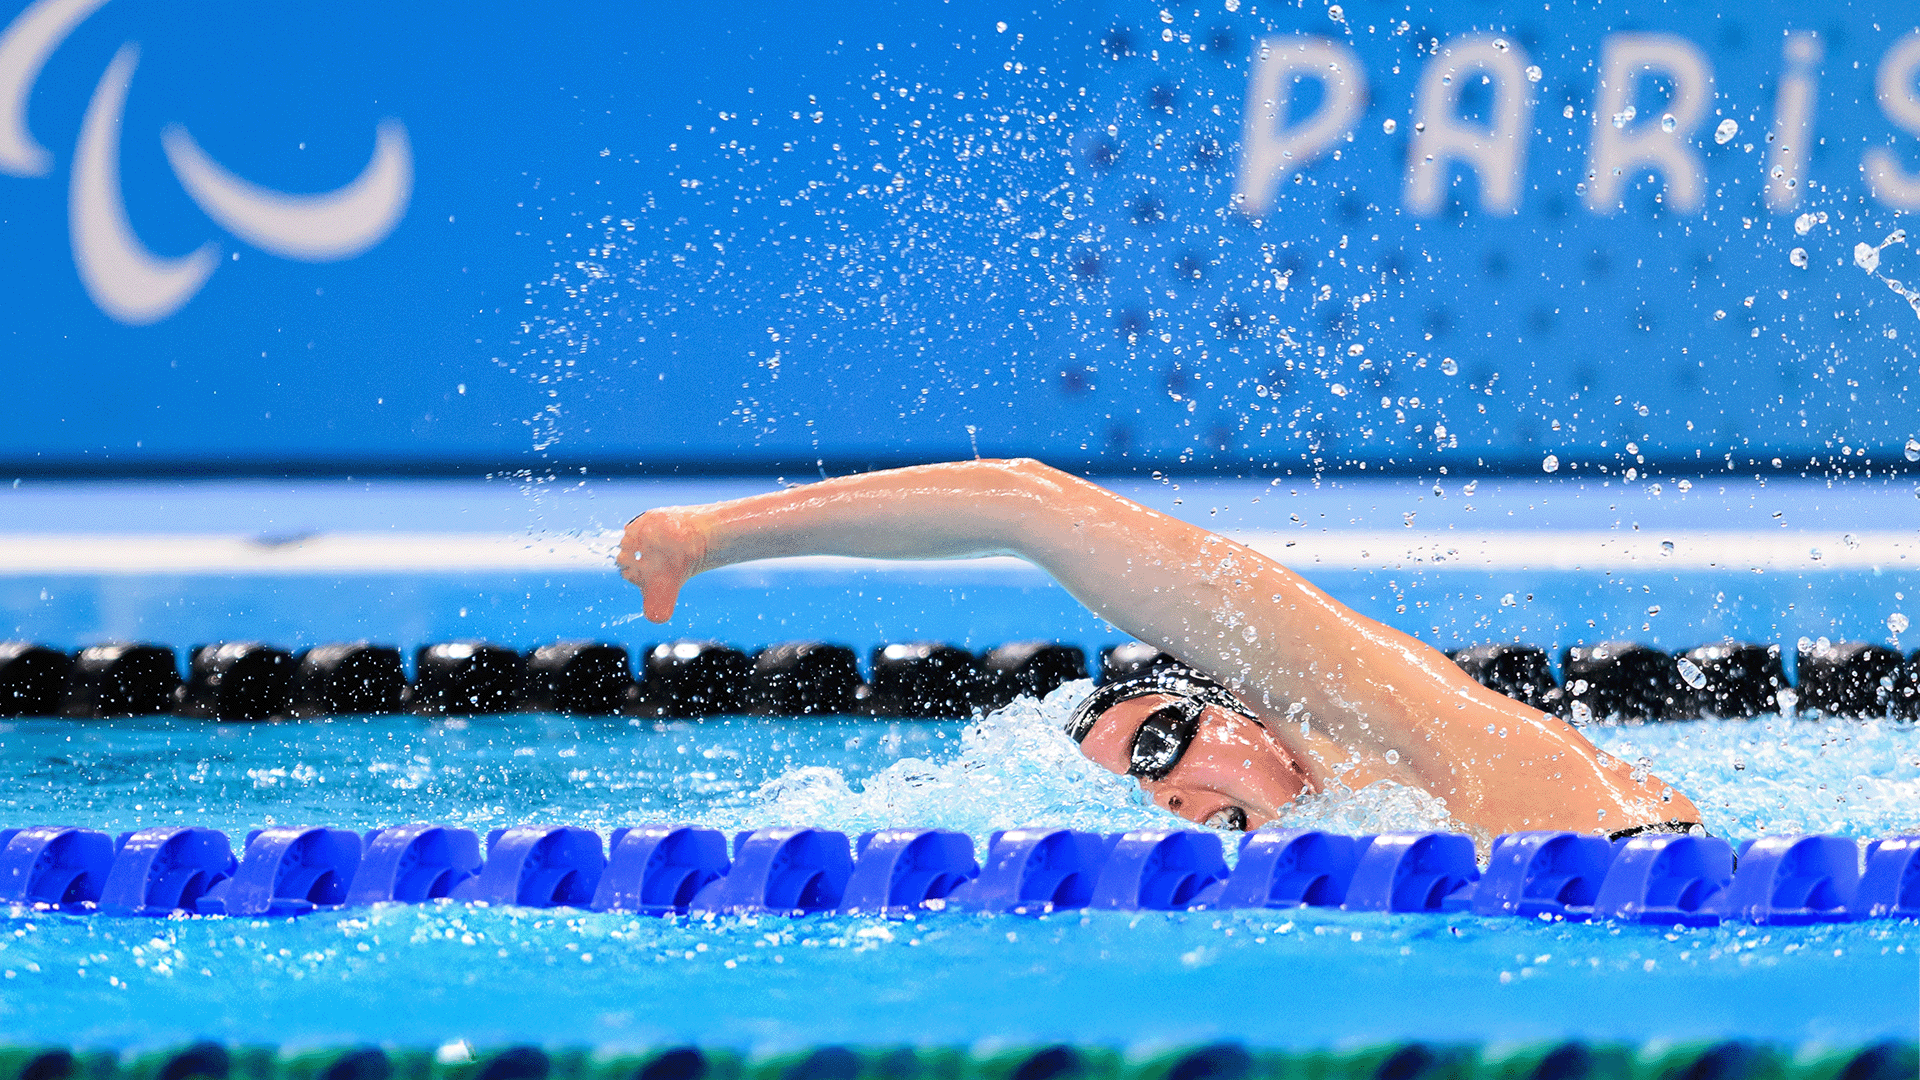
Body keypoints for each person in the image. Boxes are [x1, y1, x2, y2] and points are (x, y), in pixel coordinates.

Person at [617, 458, 1701, 839]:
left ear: (1239, 696)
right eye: (1141, 790)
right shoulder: (1336, 849)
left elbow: (1023, 505)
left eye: (1161, 744)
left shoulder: (1364, 708)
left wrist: (710, 539)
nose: (1171, 792)